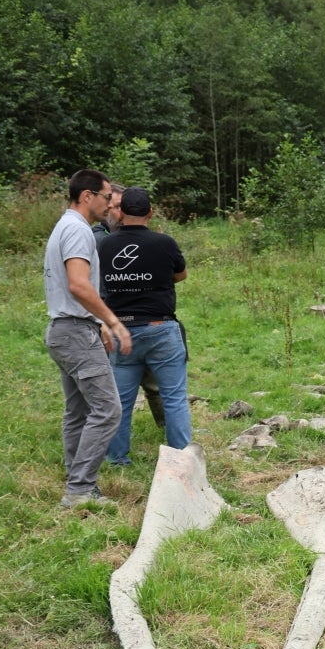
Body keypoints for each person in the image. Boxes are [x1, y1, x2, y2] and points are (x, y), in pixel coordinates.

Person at [43, 170, 133, 507]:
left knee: (78, 410)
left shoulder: (66, 226)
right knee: (108, 409)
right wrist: (112, 322)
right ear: (87, 196)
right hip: (74, 333)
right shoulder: (78, 230)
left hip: (67, 330)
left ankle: (76, 478)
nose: (111, 204)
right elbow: (79, 285)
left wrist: (96, 324)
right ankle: (80, 489)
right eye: (107, 197)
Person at [99, 186, 192, 463]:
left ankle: (116, 460)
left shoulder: (104, 245)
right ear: (151, 213)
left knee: (121, 403)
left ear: (120, 213)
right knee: (174, 398)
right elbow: (181, 275)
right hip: (160, 329)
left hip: (120, 332)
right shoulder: (165, 243)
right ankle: (181, 461)